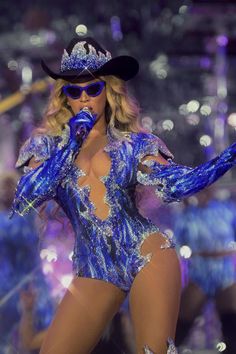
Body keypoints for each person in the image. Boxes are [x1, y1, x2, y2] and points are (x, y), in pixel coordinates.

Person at [9, 34, 236, 354]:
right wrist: (71, 143)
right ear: (65, 97)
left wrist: (229, 156)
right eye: (75, 90)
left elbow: (177, 186)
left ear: (108, 91)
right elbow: (27, 197)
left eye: (93, 88)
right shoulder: (45, 146)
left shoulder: (133, 145)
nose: (85, 97)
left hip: (147, 253)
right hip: (94, 267)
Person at [174, 188, 236, 353]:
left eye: (208, 189)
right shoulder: (188, 216)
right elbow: (177, 244)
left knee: (232, 328)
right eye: (200, 190)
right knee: (180, 326)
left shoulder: (227, 210)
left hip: (225, 274)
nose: (204, 194)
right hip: (199, 274)